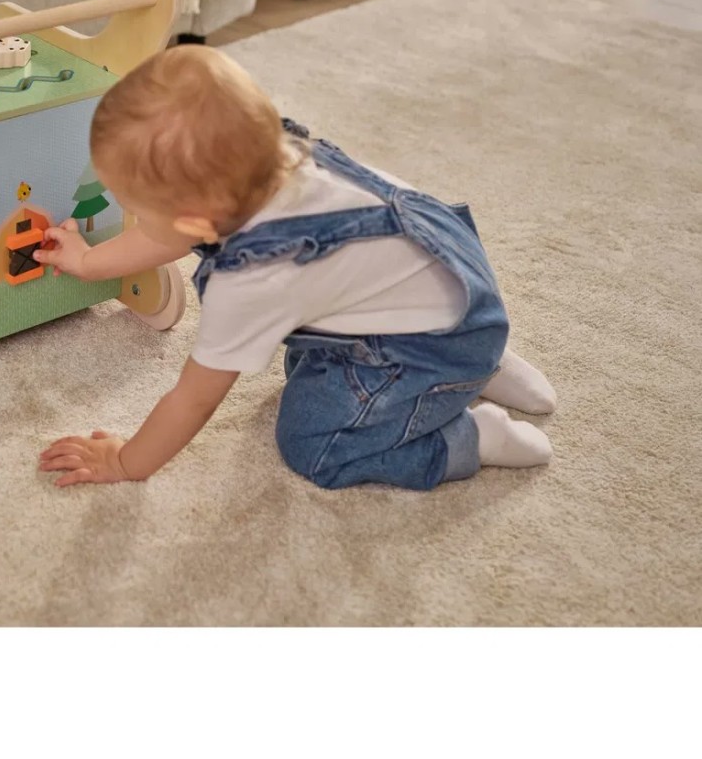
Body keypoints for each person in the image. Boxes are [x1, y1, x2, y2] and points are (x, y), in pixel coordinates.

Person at [35, 45, 556, 491]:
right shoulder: (267, 160)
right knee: (303, 366)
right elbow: (169, 235)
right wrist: (89, 261)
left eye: (139, 210)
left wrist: (125, 462)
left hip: (430, 348)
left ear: (193, 221)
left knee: (314, 440)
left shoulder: (253, 279)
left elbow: (193, 400)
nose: (137, 220)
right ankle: (480, 361)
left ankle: (470, 431)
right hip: (459, 285)